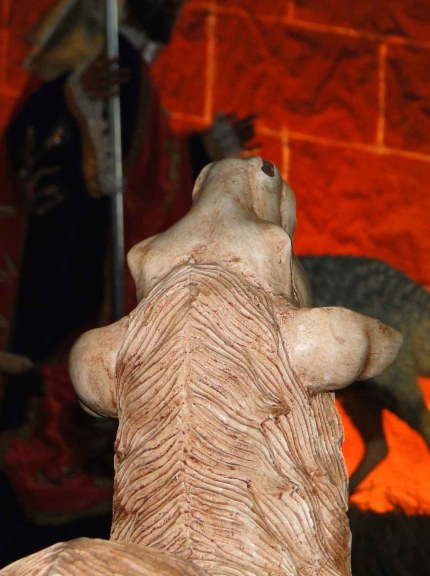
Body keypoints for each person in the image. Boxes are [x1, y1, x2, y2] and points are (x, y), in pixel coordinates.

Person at [0, 0, 255, 565]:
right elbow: (37, 147)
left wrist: (200, 152)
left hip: (97, 274)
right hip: (69, 275)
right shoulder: (113, 62)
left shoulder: (132, 68)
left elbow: (143, 184)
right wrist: (76, 102)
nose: (175, 9)